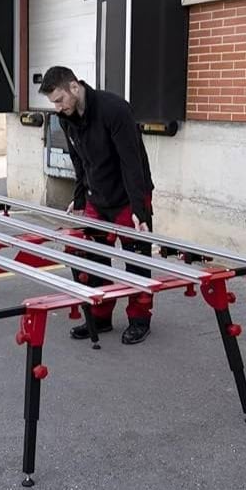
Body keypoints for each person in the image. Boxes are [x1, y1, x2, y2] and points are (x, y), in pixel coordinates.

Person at [40, 65, 155, 345]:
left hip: (129, 195)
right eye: (54, 103)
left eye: (59, 100)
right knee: (92, 259)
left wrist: (139, 209)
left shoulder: (114, 109)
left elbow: (131, 162)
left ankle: (140, 320)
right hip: (97, 198)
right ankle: (100, 317)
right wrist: (80, 199)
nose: (57, 107)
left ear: (74, 87)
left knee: (136, 260)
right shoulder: (66, 118)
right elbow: (79, 162)